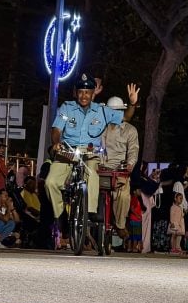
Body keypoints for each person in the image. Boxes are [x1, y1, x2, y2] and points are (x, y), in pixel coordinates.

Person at [45, 73, 139, 224]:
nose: (84, 95)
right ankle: (60, 213)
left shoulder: (102, 111)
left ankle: (90, 212)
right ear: (76, 93)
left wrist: (133, 103)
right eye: (81, 92)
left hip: (89, 154)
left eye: (87, 92)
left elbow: (126, 117)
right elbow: (56, 129)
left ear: (93, 93)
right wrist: (56, 143)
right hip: (68, 151)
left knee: (93, 175)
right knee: (50, 182)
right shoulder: (67, 108)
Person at [101, 95, 140, 240]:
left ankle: (120, 224)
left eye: (117, 111)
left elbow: (133, 150)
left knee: (123, 195)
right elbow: (98, 147)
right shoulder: (101, 127)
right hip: (102, 167)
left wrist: (130, 164)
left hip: (120, 169)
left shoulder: (130, 130)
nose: (114, 114)